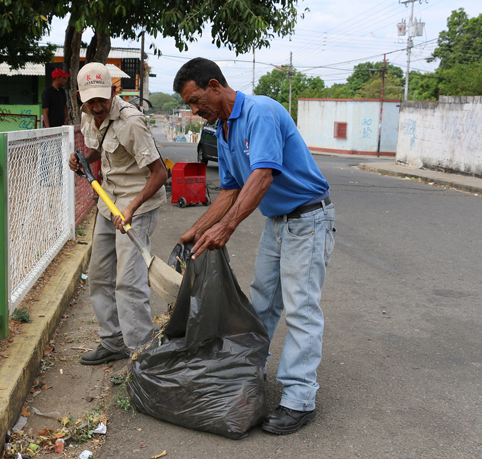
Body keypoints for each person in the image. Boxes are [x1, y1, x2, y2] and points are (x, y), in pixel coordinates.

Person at [173, 58, 336, 435]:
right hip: (278, 222)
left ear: (215, 85)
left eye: (197, 101)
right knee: (261, 301)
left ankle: (299, 399)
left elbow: (262, 175)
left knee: (301, 309)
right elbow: (230, 190)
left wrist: (226, 229)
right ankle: (247, 375)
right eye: (191, 106)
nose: (196, 112)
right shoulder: (225, 130)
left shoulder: (260, 111)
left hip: (309, 220)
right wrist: (196, 230)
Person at [68, 63, 167, 365]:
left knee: (128, 280)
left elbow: (160, 173)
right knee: (99, 275)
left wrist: (131, 208)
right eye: (90, 100)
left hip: (137, 204)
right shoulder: (89, 117)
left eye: (103, 99)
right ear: (80, 97)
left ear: (114, 91)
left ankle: (140, 353)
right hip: (108, 202)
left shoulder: (131, 122)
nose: (97, 106)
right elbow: (102, 148)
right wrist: (82, 159)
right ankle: (112, 342)